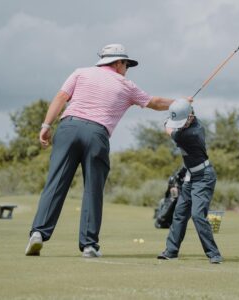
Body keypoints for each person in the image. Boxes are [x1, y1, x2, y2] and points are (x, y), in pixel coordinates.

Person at [25, 43, 192, 258]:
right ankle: (89, 245)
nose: (127, 69)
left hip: (68, 127)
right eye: (126, 64)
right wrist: (180, 103)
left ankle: (38, 233)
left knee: (55, 182)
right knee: (93, 189)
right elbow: (155, 103)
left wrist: (46, 126)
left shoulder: (80, 72)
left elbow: (60, 98)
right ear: (118, 62)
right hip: (96, 133)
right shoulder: (126, 85)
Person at [157, 98, 223, 264]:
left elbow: (167, 127)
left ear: (191, 117)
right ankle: (171, 251)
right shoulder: (190, 119)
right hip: (190, 177)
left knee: (197, 215)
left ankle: (214, 254)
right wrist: (182, 103)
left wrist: (170, 116)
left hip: (204, 177)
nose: (179, 125)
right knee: (179, 213)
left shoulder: (189, 134)